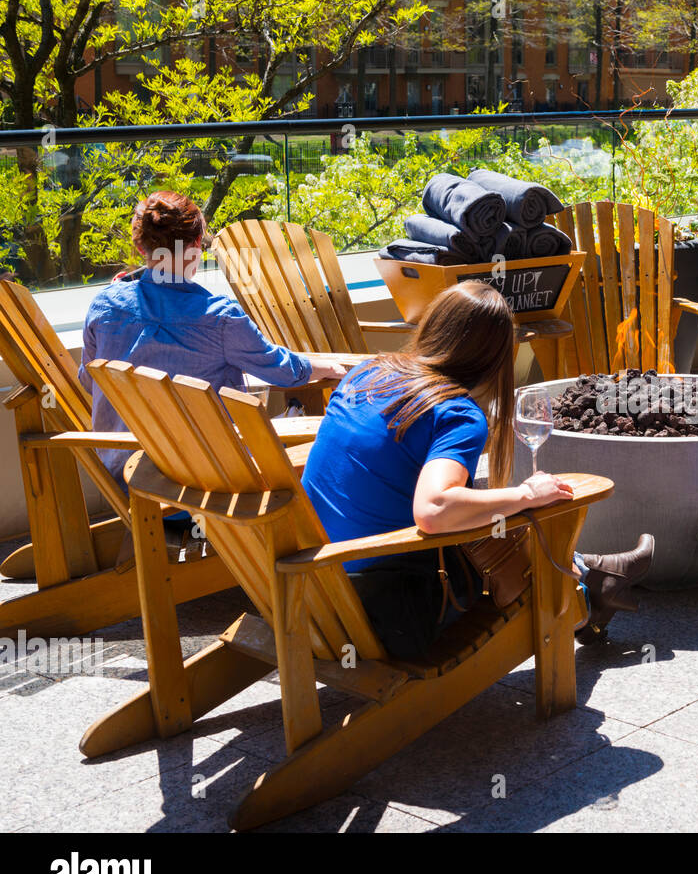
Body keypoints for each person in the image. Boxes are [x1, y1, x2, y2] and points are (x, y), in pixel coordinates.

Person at [300, 280, 654, 656]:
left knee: (490, 510)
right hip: (387, 609)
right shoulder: (454, 412)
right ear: (497, 356)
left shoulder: (366, 374)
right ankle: (589, 592)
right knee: (509, 515)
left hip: (310, 588)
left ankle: (594, 575)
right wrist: (524, 494)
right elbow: (434, 511)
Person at [78, 191, 348, 487]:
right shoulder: (218, 316)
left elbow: (89, 381)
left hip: (127, 475)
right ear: (196, 245)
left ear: (140, 247)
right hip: (206, 482)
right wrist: (324, 367)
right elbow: (279, 369)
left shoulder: (104, 305)